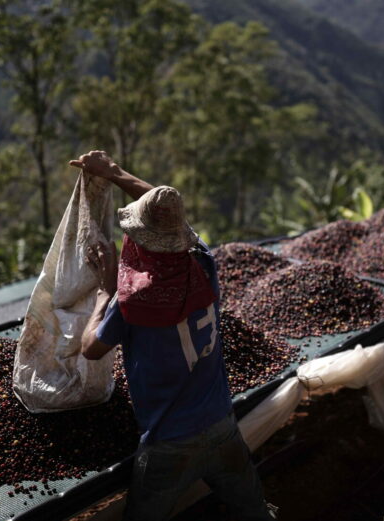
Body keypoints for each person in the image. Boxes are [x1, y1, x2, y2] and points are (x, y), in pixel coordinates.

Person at [69, 150, 276, 521]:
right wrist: (114, 172)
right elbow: (170, 217)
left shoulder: (131, 302)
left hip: (169, 443)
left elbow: (90, 349)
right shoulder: (202, 264)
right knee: (254, 511)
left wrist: (104, 292)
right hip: (222, 425)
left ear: (140, 241)